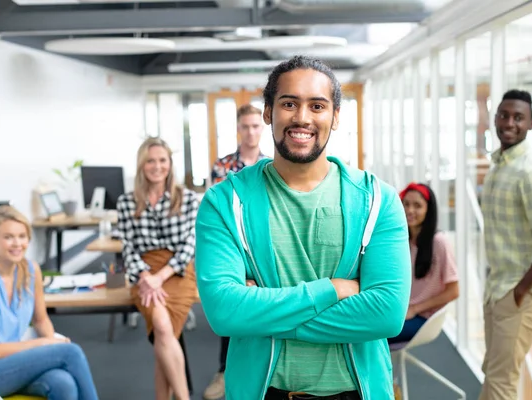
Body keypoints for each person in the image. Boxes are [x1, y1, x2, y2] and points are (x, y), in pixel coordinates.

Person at [195, 55, 411, 400]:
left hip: (355, 391)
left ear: (336, 117)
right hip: (264, 391)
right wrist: (332, 291)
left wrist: (261, 311)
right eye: (289, 103)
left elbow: (385, 315)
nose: (302, 118)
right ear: (268, 112)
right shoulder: (224, 203)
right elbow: (225, 312)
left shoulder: (377, 201)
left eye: (317, 106)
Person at [479, 89, 532, 400]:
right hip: (499, 286)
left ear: (531, 123)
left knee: (501, 381)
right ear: (495, 119)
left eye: (518, 117)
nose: (510, 122)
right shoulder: (500, 165)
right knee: (494, 372)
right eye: (504, 115)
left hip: (521, 292)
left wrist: (519, 292)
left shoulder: (531, 172)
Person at [0, 205, 99, 400]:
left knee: (63, 383)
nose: (17, 243)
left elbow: (40, 320)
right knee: (71, 353)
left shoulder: (31, 270)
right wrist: (43, 344)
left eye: (22, 236)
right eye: (8, 237)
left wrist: (52, 341)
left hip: (13, 362)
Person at [116, 137, 199, 400]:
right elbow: (127, 247)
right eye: (150, 161)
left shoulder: (186, 198)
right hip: (144, 273)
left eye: (162, 160)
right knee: (163, 328)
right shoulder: (127, 202)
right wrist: (145, 276)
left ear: (170, 164)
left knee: (164, 337)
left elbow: (191, 244)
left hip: (179, 271)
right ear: (141, 165)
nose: (157, 166)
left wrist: (160, 276)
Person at [204, 103, 268, 400]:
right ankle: (225, 371)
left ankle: (259, 371)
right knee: (231, 306)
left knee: (263, 308)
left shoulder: (272, 164)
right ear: (238, 129)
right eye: (246, 126)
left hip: (264, 248)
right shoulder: (224, 166)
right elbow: (220, 214)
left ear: (262, 127)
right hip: (233, 248)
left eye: (256, 126)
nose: (251, 131)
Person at [388, 182, 459, 345]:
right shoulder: (402, 240)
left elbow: (454, 291)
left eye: (417, 205)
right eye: (406, 204)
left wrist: (414, 309)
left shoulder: (439, 242)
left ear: (428, 210)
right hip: (400, 311)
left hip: (422, 317)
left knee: (368, 335)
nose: (410, 210)